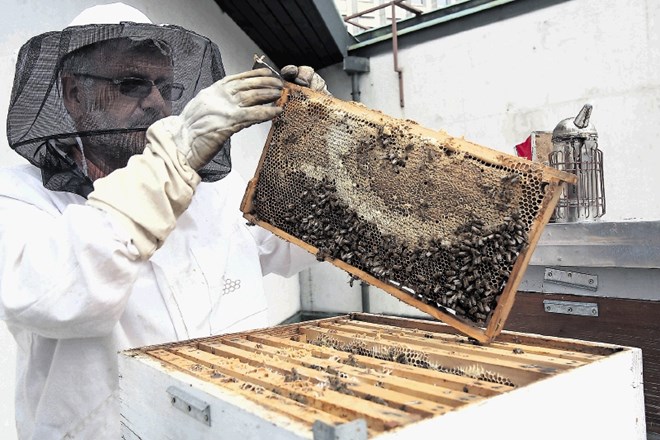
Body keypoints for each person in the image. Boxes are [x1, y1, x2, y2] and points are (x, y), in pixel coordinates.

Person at [0, 3, 327, 438]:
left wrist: (316, 142)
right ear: (73, 95)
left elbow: (286, 242)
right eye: (131, 84)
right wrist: (176, 156)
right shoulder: (20, 197)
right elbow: (54, 297)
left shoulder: (207, 192)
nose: (156, 103)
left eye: (166, 87)